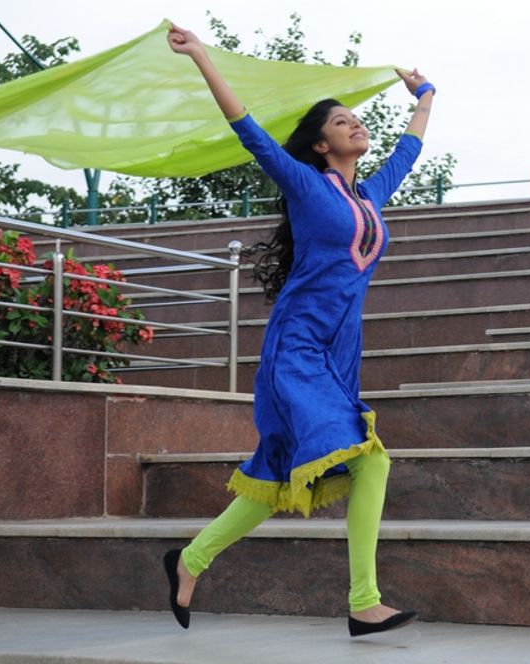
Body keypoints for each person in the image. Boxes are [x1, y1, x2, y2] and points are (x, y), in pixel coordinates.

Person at [162, 22, 434, 637]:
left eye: (355, 118)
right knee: (372, 462)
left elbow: (409, 151)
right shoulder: (306, 184)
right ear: (319, 144)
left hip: (338, 353)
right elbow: (248, 130)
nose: (354, 124)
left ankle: (190, 560)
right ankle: (363, 601)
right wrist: (201, 56)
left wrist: (424, 97)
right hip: (298, 347)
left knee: (277, 477)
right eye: (341, 121)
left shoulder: (370, 196)